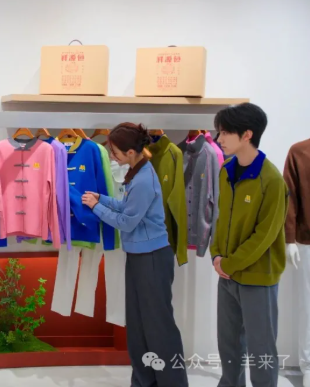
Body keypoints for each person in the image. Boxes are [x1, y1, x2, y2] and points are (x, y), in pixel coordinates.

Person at [81, 123, 188, 387]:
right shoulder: (137, 172)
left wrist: (96, 208)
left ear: (130, 152)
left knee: (159, 326)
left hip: (153, 258)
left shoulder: (143, 179)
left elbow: (127, 222)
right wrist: (102, 199)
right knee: (138, 326)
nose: (112, 156)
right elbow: (127, 207)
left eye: (115, 152)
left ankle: (172, 383)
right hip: (140, 256)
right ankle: (144, 381)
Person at [210, 103, 287, 387]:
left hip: (257, 277)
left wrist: (229, 263)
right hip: (227, 274)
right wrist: (217, 255)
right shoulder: (226, 170)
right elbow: (221, 219)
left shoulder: (272, 180)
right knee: (228, 345)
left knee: (260, 348)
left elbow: (264, 235)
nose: (219, 139)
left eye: (225, 132)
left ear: (247, 134)